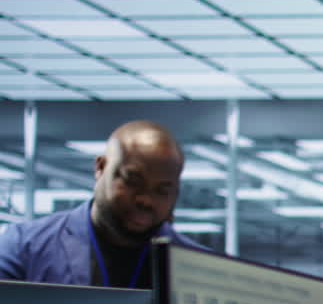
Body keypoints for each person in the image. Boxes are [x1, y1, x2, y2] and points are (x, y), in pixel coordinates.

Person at [0, 119, 191, 288]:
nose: (146, 200)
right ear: (100, 167)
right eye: (132, 181)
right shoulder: (24, 248)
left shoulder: (202, 267)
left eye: (162, 191)